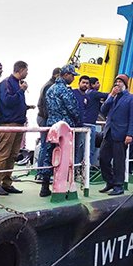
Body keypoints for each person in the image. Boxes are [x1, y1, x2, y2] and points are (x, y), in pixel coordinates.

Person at [38, 65, 80, 197]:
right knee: (65, 157)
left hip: (52, 125)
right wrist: (77, 119)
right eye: (72, 75)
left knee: (49, 155)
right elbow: (72, 108)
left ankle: (45, 186)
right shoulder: (64, 90)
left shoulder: (51, 89)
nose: (73, 78)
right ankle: (64, 187)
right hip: (64, 127)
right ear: (66, 74)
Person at [0, 61, 29, 196]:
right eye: (26, 70)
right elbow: (7, 101)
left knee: (13, 155)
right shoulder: (7, 83)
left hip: (18, 123)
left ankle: (7, 182)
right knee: (3, 154)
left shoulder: (17, 83)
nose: (27, 73)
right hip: (8, 123)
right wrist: (21, 91)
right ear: (21, 69)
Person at [99, 74, 133, 196]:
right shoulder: (112, 97)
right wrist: (111, 96)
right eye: (116, 82)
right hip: (109, 132)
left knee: (118, 160)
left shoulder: (132, 98)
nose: (117, 84)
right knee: (103, 158)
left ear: (125, 85)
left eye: (120, 82)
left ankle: (118, 185)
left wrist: (130, 134)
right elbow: (103, 110)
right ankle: (110, 181)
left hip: (121, 134)